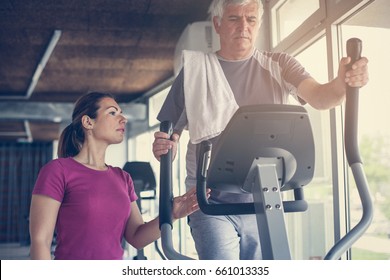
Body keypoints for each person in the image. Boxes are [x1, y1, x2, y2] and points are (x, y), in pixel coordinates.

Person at [152, 0, 369, 260]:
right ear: (218, 24)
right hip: (210, 203)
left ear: (259, 25)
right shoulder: (196, 71)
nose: (243, 26)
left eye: (251, 19)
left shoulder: (280, 64)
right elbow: (168, 135)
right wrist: (166, 146)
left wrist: (343, 82)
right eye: (234, 19)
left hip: (266, 199)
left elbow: (322, 97)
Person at [29, 91, 202, 260]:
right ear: (88, 122)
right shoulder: (57, 170)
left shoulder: (123, 178)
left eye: (121, 113)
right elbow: (40, 241)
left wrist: (171, 214)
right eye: (112, 112)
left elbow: (137, 237)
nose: (123, 119)